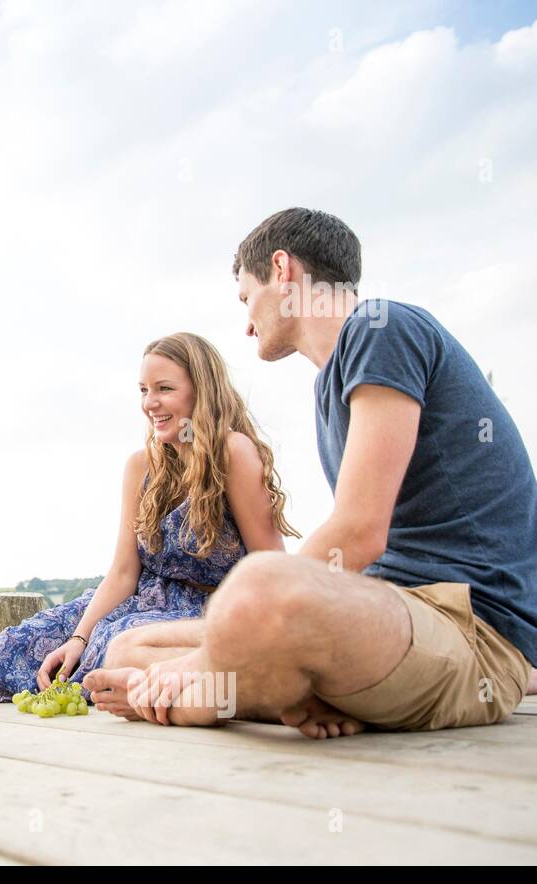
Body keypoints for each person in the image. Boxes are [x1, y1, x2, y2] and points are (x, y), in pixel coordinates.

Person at [88, 208, 537, 737]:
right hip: (389, 617)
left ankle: (211, 692)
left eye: (246, 297)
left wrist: (203, 660)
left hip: (466, 629)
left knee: (259, 588)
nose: (248, 322)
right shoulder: (333, 382)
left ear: (283, 270)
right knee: (130, 646)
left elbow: (358, 532)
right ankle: (280, 693)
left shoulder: (382, 328)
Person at [0, 333, 298, 702]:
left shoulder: (233, 451)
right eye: (143, 390)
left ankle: (229, 682)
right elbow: (123, 572)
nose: (150, 403)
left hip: (207, 611)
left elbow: (270, 565)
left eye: (164, 388)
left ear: (202, 391)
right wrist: (78, 637)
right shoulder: (141, 466)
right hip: (139, 599)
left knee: (116, 648)